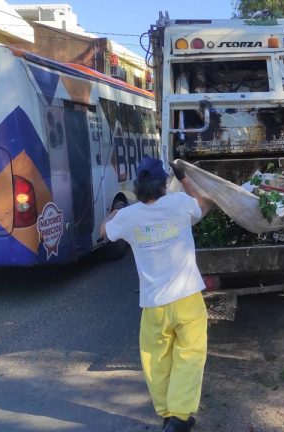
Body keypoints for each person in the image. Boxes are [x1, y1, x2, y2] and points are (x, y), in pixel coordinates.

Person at [101, 157, 212, 432]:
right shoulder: (178, 203)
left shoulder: (129, 217)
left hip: (154, 305)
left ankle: (167, 415)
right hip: (187, 299)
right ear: (165, 183)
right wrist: (184, 178)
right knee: (190, 356)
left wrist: (118, 210)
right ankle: (179, 418)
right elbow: (204, 203)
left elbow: (104, 231)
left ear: (137, 186)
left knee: (156, 360)